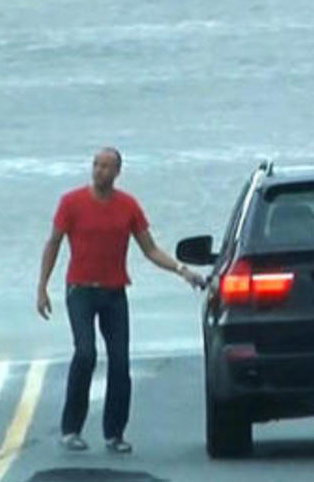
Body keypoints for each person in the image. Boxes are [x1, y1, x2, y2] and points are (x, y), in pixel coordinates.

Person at [36, 147, 205, 454]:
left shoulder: (128, 206)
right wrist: (42, 287)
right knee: (85, 353)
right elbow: (53, 243)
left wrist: (183, 271)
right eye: (96, 165)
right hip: (81, 291)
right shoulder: (71, 202)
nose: (99, 171)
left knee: (120, 362)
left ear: (117, 172)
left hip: (115, 293)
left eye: (106, 166)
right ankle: (71, 429)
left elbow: (150, 249)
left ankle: (114, 434)